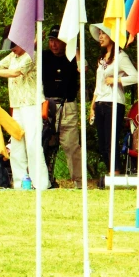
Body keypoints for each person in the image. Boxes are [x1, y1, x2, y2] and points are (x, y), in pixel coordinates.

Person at [0, 28, 50, 189]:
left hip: (32, 104)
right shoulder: (13, 55)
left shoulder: (31, 55)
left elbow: (15, 72)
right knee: (16, 143)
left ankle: (41, 183)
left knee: (33, 144)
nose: (12, 48)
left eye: (15, 45)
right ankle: (21, 182)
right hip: (17, 106)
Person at [88, 23, 137, 179]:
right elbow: (98, 84)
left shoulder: (121, 56)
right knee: (102, 143)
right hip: (101, 102)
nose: (100, 37)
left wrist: (117, 79)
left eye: (104, 33)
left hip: (114, 102)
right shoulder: (102, 59)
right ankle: (111, 171)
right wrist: (92, 105)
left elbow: (136, 76)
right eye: (100, 34)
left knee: (111, 140)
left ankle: (115, 173)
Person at [42, 25, 84, 188]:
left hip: (67, 105)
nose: (54, 44)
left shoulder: (73, 57)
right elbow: (27, 57)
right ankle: (45, 180)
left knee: (71, 145)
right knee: (46, 144)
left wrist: (75, 48)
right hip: (47, 105)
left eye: (57, 41)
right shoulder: (43, 57)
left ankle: (79, 182)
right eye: (51, 41)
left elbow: (84, 68)